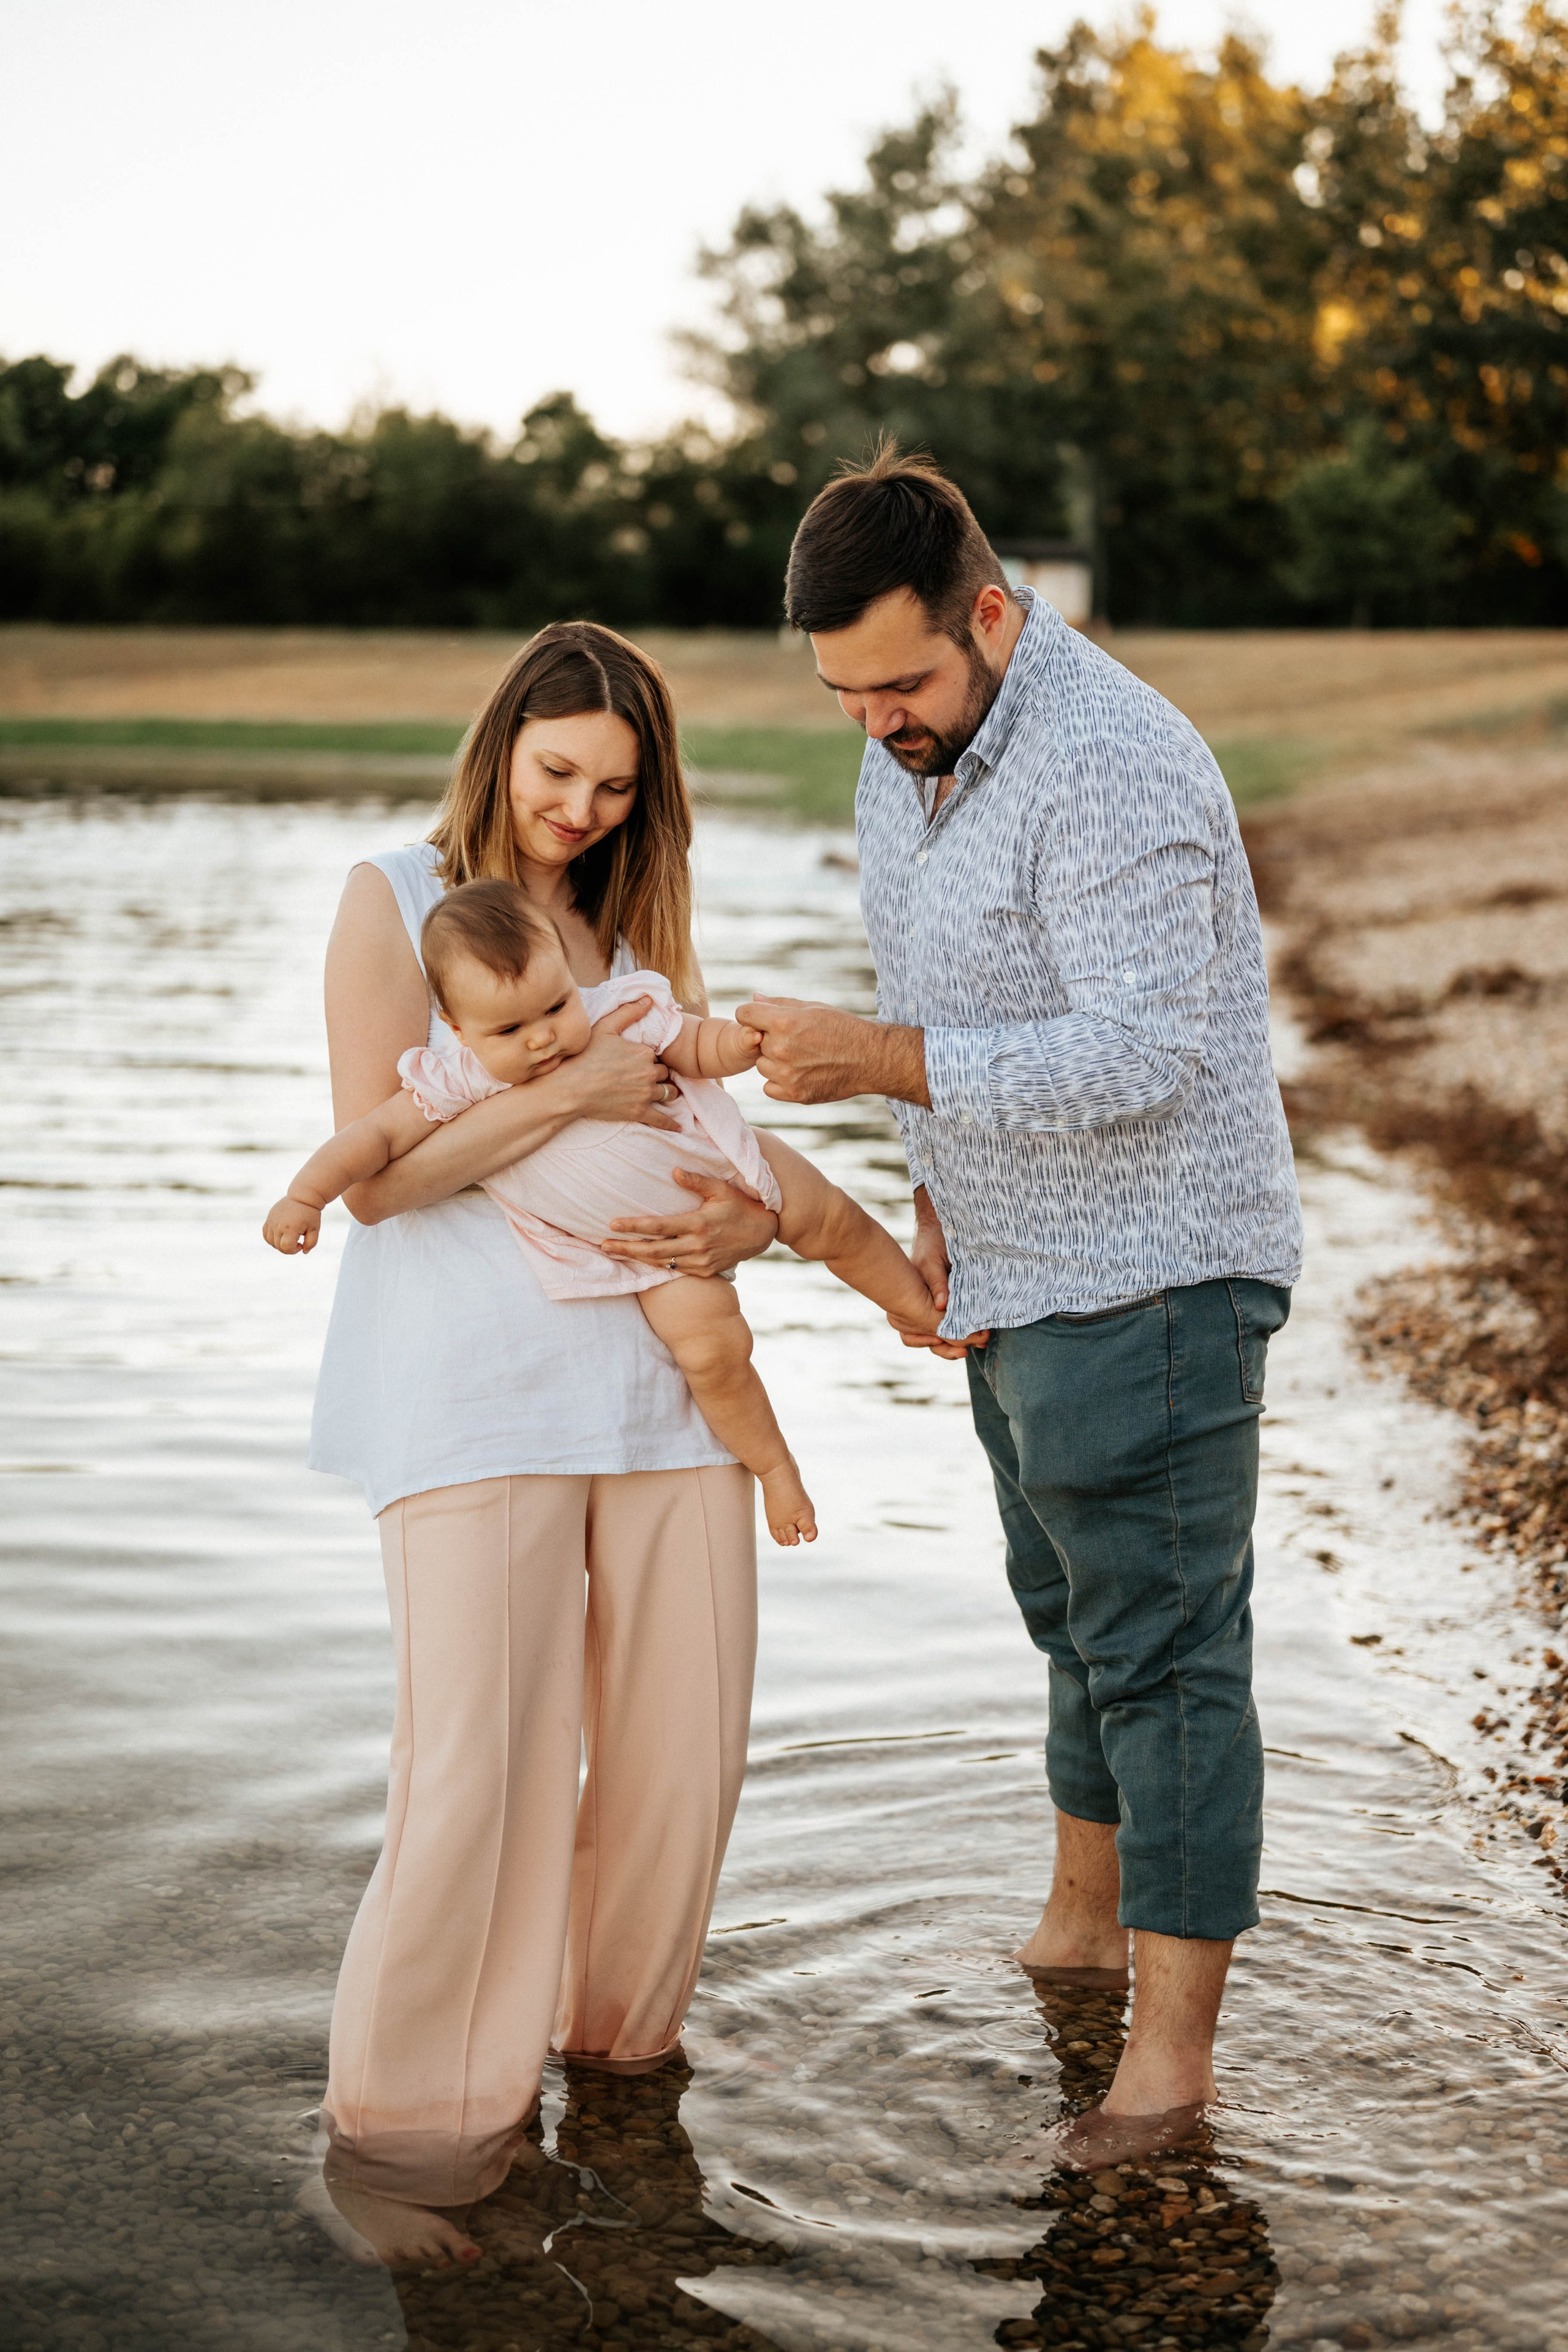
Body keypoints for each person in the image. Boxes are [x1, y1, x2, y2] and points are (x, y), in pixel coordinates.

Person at [737, 445, 1303, 2168]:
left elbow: (1150, 1055)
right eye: (845, 694)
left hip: (1153, 1273)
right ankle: (1077, 1933)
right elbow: (946, 984)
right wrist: (928, 1186)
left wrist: (873, 1064)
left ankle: (1169, 2076)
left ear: (993, 612)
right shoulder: (907, 751)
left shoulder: (1117, 763)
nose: (878, 723)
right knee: (1073, 1621)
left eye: (903, 681)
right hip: (1008, 1265)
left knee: (1168, 1658)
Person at [300, 621, 783, 2265]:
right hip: (471, 1394)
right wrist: (573, 1097)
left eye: (614, 786)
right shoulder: (394, 895)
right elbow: (378, 1173)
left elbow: (690, 1129)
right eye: (556, 768)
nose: (577, 808)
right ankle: (412, 2144)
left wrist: (751, 1223)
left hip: (664, 1395)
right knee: (479, 1773)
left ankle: (624, 2078)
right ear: (501, 741)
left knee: (679, 1762)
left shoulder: (631, 927)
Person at [266, 878, 938, 1544]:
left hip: (721, 1153)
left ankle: (918, 1307)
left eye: (555, 1007)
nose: (541, 1040)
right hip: (651, 1257)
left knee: (833, 1222)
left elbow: (697, 1044)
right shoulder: (459, 1080)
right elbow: (373, 1139)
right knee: (712, 1354)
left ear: (568, 973)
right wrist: (307, 1194)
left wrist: (742, 1043)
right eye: (509, 1028)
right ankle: (776, 1470)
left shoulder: (620, 1008)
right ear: (457, 1029)